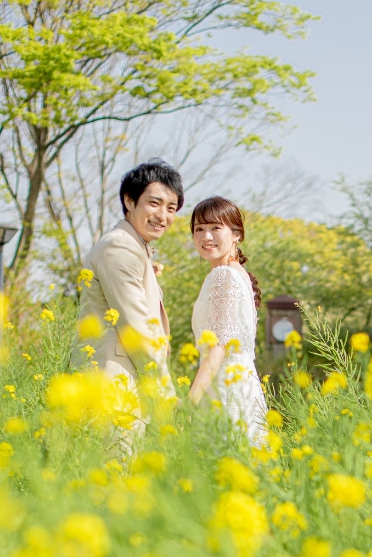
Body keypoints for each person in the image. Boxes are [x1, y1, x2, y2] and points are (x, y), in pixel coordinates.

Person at [71, 159, 183, 421]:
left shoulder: (134, 246)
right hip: (112, 389)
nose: (163, 216)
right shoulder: (120, 247)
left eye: (171, 208)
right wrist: (167, 397)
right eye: (154, 203)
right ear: (129, 201)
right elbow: (138, 328)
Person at [187, 196, 266, 444]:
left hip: (225, 395)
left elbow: (217, 348)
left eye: (215, 228)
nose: (206, 237)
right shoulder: (237, 274)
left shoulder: (223, 276)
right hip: (243, 391)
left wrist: (189, 404)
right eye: (199, 229)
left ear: (236, 235)